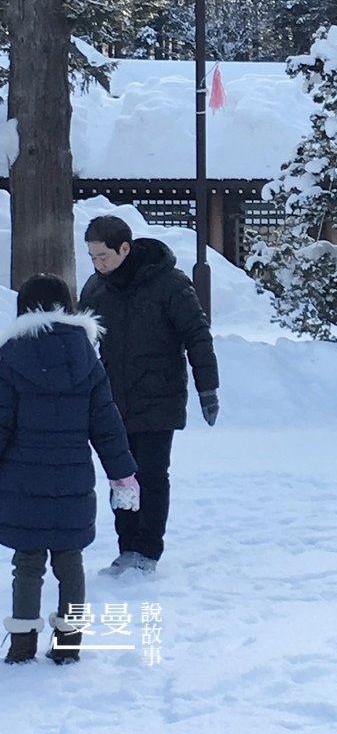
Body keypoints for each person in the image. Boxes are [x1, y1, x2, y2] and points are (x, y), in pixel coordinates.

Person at [0, 273, 138, 665]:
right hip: (73, 480)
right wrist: (122, 473)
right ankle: (69, 642)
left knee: (27, 563)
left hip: (22, 482)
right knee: (69, 560)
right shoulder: (86, 358)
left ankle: (23, 642)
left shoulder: (9, 357)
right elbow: (106, 423)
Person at [79, 215, 219, 576]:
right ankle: (126, 548)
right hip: (112, 400)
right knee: (120, 475)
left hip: (159, 396)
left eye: (103, 257)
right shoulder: (95, 289)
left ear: (124, 248)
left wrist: (208, 386)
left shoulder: (169, 284)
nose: (98, 265)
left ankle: (147, 550)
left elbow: (197, 335)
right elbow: (80, 343)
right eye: (93, 258)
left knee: (152, 474)